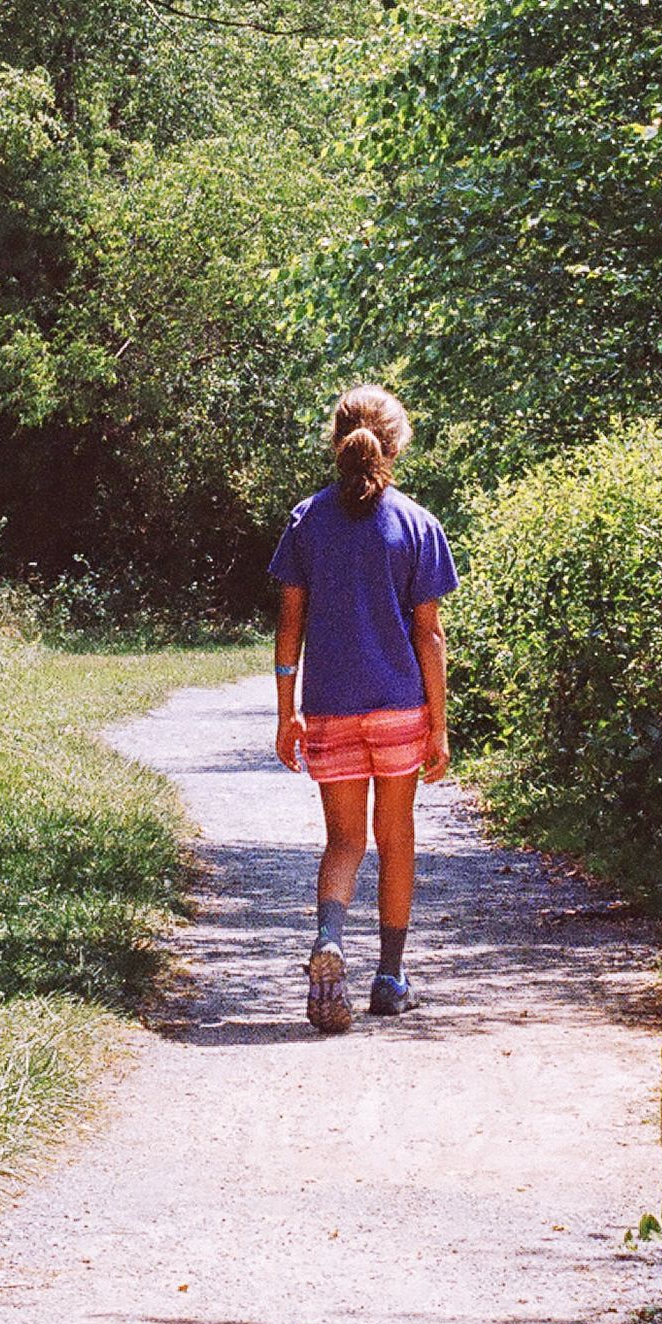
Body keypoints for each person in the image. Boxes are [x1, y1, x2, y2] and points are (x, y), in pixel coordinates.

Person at [270, 385, 458, 1033]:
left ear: (336, 441)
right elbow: (428, 635)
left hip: (328, 709)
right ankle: (390, 976)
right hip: (400, 710)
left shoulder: (306, 521)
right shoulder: (418, 525)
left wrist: (284, 711)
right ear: (397, 444)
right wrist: (439, 722)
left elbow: (289, 625)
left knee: (345, 840)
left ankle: (329, 938)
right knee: (395, 836)